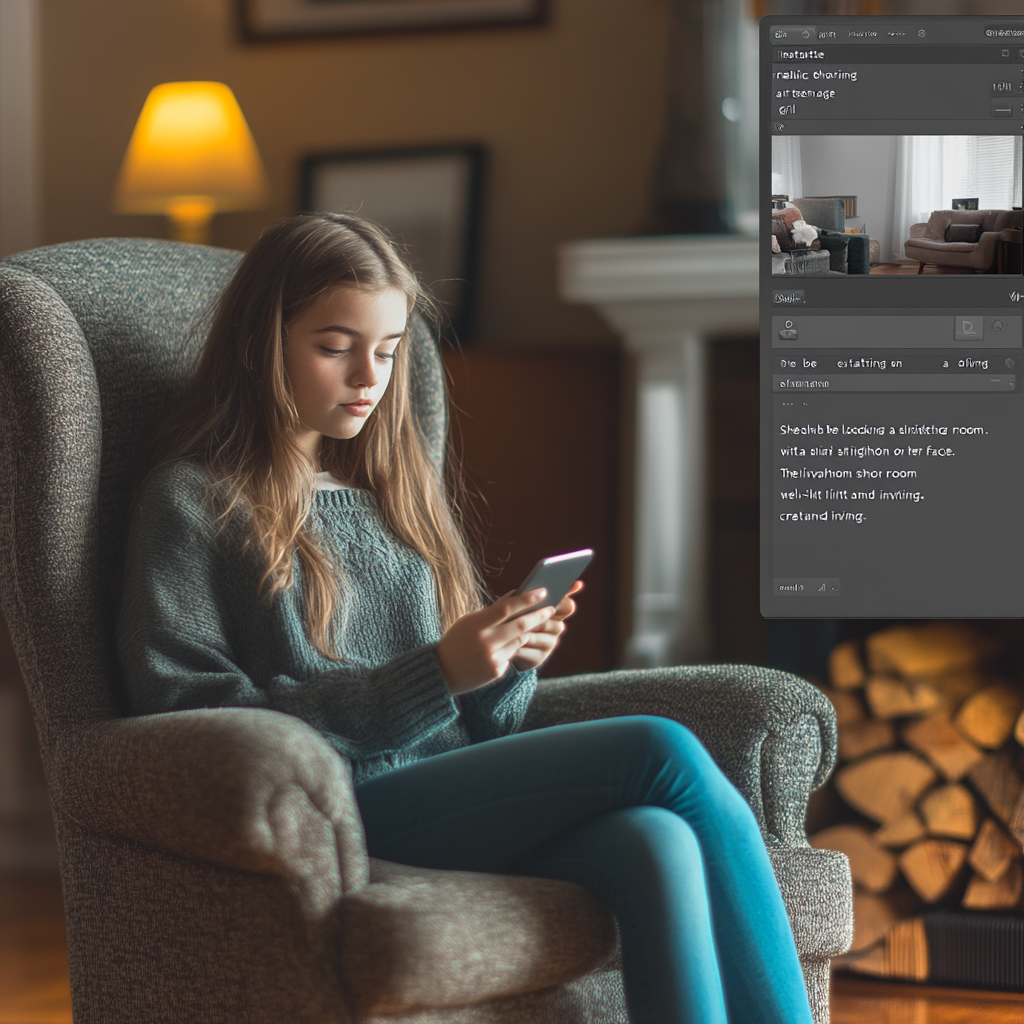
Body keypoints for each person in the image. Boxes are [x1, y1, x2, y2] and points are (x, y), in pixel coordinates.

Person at [116, 212, 814, 1024]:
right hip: (341, 804)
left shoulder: (393, 502)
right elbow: (190, 718)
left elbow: (483, 728)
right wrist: (435, 673)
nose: (366, 378)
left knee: (653, 841)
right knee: (660, 749)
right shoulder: (193, 503)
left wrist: (505, 663)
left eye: (384, 351)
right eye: (334, 346)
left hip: (448, 794)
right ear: (260, 343)